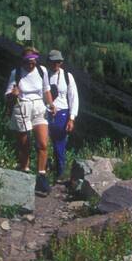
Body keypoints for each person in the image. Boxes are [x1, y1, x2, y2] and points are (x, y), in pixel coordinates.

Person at [5, 47, 54, 195]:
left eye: (33, 62)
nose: (30, 65)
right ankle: (25, 172)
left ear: (36, 60)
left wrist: (51, 104)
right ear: (23, 60)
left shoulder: (42, 71)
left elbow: (46, 90)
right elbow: (7, 95)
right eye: (28, 62)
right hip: (22, 106)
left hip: (39, 106)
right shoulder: (16, 73)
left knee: (43, 144)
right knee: (24, 144)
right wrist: (13, 94)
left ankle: (41, 176)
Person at [46, 49, 78, 184]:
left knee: (60, 146)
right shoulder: (43, 75)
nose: (56, 64)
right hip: (45, 113)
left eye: (58, 62)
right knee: (43, 145)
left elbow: (74, 98)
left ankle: (60, 174)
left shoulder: (67, 76)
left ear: (61, 62)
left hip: (62, 115)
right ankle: (44, 173)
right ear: (49, 62)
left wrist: (71, 118)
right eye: (53, 62)